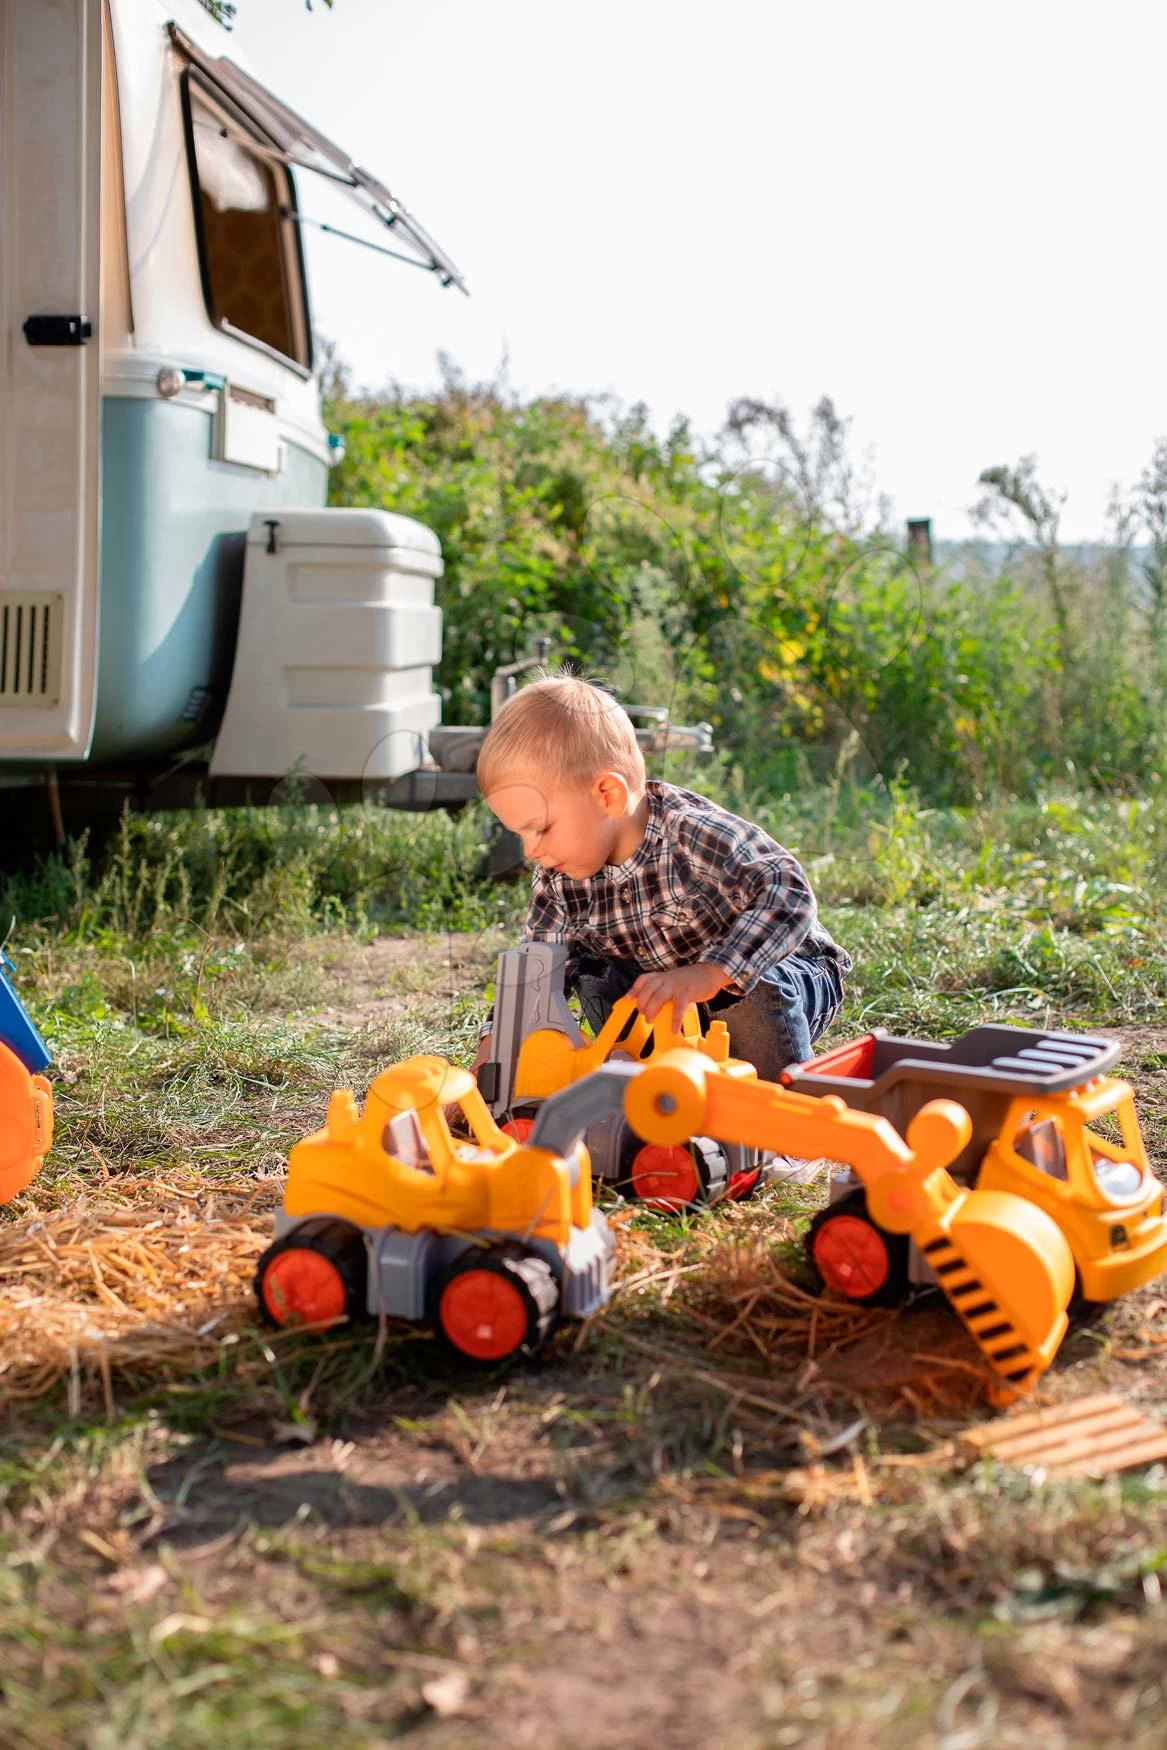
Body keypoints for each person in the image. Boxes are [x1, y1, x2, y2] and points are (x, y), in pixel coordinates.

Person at [473, 674, 850, 1083]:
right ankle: (643, 1074)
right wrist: (493, 1053)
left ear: (607, 795)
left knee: (754, 989)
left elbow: (787, 888)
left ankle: (783, 1110)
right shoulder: (558, 879)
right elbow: (537, 972)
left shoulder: (690, 834)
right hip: (676, 1003)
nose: (531, 851)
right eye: (521, 835)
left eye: (541, 829)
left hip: (779, 978)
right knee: (588, 972)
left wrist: (712, 973)